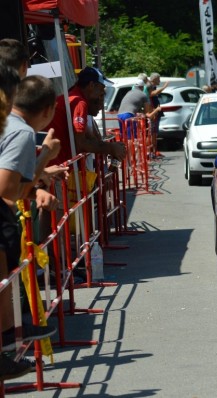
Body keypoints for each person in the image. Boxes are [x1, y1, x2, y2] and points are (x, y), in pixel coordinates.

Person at [0, 73, 59, 360]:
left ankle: (10, 334)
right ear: (48, 111)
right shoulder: (21, 133)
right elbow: (8, 191)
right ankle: (8, 340)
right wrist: (45, 155)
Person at [45, 66, 127, 167]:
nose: (102, 93)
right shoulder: (79, 102)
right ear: (91, 85)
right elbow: (81, 143)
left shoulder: (72, 97)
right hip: (57, 166)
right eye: (101, 89)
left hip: (54, 162)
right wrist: (111, 148)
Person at [148, 73, 168, 157]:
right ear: (154, 79)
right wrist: (164, 87)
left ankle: (154, 151)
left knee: (155, 132)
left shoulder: (153, 86)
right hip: (154, 113)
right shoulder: (150, 86)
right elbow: (152, 94)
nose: (159, 81)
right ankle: (152, 151)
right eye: (158, 79)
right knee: (152, 132)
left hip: (156, 112)